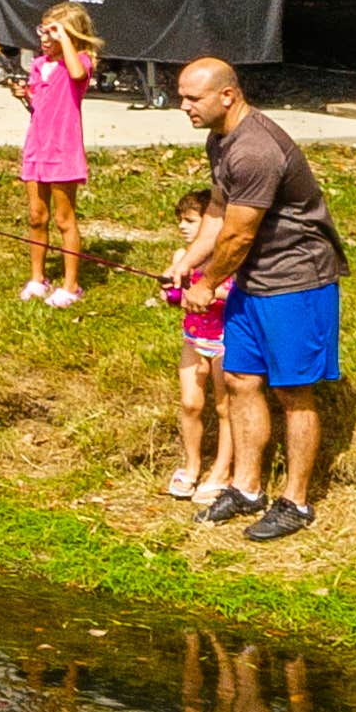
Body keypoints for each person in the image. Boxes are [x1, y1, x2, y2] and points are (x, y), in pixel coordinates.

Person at [177, 57, 347, 542]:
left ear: (227, 95)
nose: (183, 106)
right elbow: (217, 208)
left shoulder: (255, 150)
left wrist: (207, 283)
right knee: (239, 378)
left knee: (294, 390)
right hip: (254, 280)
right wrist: (189, 259)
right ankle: (247, 487)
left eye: (193, 98)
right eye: (182, 96)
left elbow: (239, 234)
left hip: (297, 280)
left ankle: (295, 502)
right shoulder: (222, 139)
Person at [17, 0, 100, 303]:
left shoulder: (80, 62)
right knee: (36, 216)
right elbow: (39, 106)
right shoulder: (39, 65)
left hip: (62, 151)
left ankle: (71, 285)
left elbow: (77, 75)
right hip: (36, 148)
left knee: (64, 219)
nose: (45, 37)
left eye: (54, 32)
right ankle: (37, 278)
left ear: (71, 35)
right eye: (44, 30)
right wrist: (25, 96)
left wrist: (65, 39)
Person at [158, 183, 230, 503]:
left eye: (189, 221)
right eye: (180, 220)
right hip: (194, 338)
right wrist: (169, 290)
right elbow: (170, 288)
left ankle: (223, 470)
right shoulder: (182, 256)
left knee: (225, 407)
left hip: (225, 340)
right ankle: (191, 466)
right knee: (190, 403)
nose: (181, 227)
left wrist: (207, 291)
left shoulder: (230, 259)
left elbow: (237, 294)